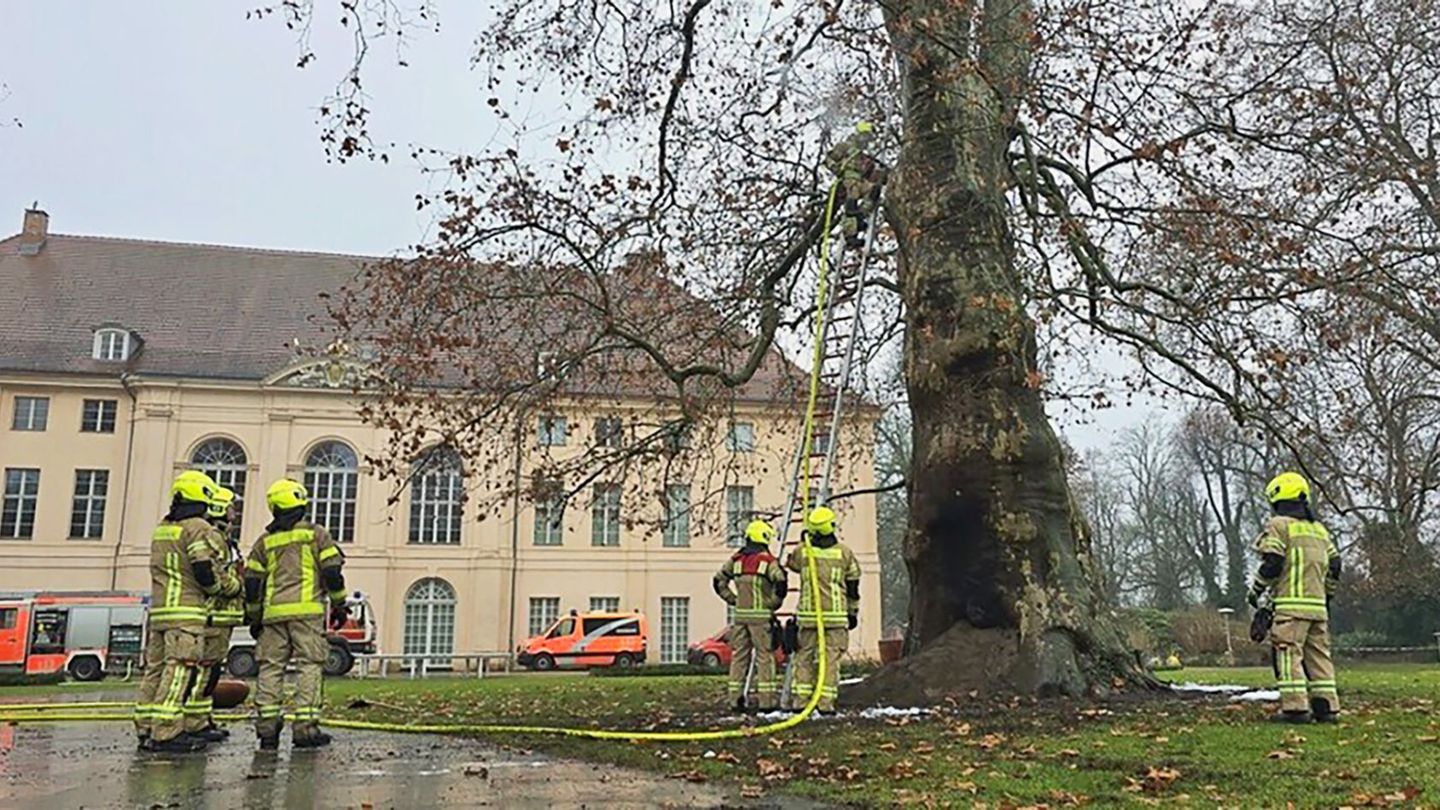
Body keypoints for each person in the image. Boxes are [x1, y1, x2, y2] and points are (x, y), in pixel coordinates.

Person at [134, 471, 240, 753]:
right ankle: (167, 732)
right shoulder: (198, 528)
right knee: (181, 670)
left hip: (160, 612)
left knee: (155, 670)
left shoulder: (163, 527)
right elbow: (205, 571)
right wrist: (228, 588)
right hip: (187, 613)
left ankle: (146, 727)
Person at [244, 479, 348, 750]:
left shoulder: (263, 543)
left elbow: (252, 583)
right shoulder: (316, 535)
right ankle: (305, 729)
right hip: (307, 614)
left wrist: (254, 618)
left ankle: (267, 730)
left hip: (272, 616)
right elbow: (332, 573)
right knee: (310, 666)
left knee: (270, 668)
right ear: (301, 504)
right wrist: (339, 604)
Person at [1247, 471, 1342, 723]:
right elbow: (1335, 564)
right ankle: (1327, 708)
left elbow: (1273, 562)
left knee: (1288, 654)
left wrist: (1256, 590)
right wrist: (1327, 596)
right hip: (1318, 609)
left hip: (1290, 609)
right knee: (1319, 657)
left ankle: (1295, 709)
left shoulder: (1279, 526)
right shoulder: (1319, 530)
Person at [181, 486, 244, 743]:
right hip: (213, 616)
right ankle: (194, 722)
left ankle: (200, 719)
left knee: (210, 672)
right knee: (204, 672)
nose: (234, 514)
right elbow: (216, 574)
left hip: (221, 618)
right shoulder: (214, 537)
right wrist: (236, 586)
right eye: (231, 508)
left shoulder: (225, 539)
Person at [785, 506, 862, 713]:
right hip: (836, 618)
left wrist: (804, 540)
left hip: (809, 617)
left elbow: (790, 564)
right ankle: (825, 704)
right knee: (830, 661)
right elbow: (854, 584)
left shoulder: (804, 552)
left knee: (804, 658)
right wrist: (852, 612)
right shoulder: (844, 553)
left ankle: (801, 702)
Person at [712, 519, 788, 711]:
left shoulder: (736, 560)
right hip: (761, 619)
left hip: (740, 618)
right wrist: (773, 604)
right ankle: (766, 702)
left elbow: (718, 581)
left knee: (739, 657)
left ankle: (735, 700)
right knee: (765, 658)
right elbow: (781, 583)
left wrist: (733, 600)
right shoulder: (767, 561)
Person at [824, 121, 887, 249]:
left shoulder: (864, 157)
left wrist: (885, 173)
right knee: (851, 202)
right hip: (850, 179)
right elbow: (829, 160)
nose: (866, 141)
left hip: (861, 180)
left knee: (874, 189)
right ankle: (850, 235)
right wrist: (836, 168)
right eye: (865, 136)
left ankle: (860, 216)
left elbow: (873, 174)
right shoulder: (845, 147)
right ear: (859, 134)